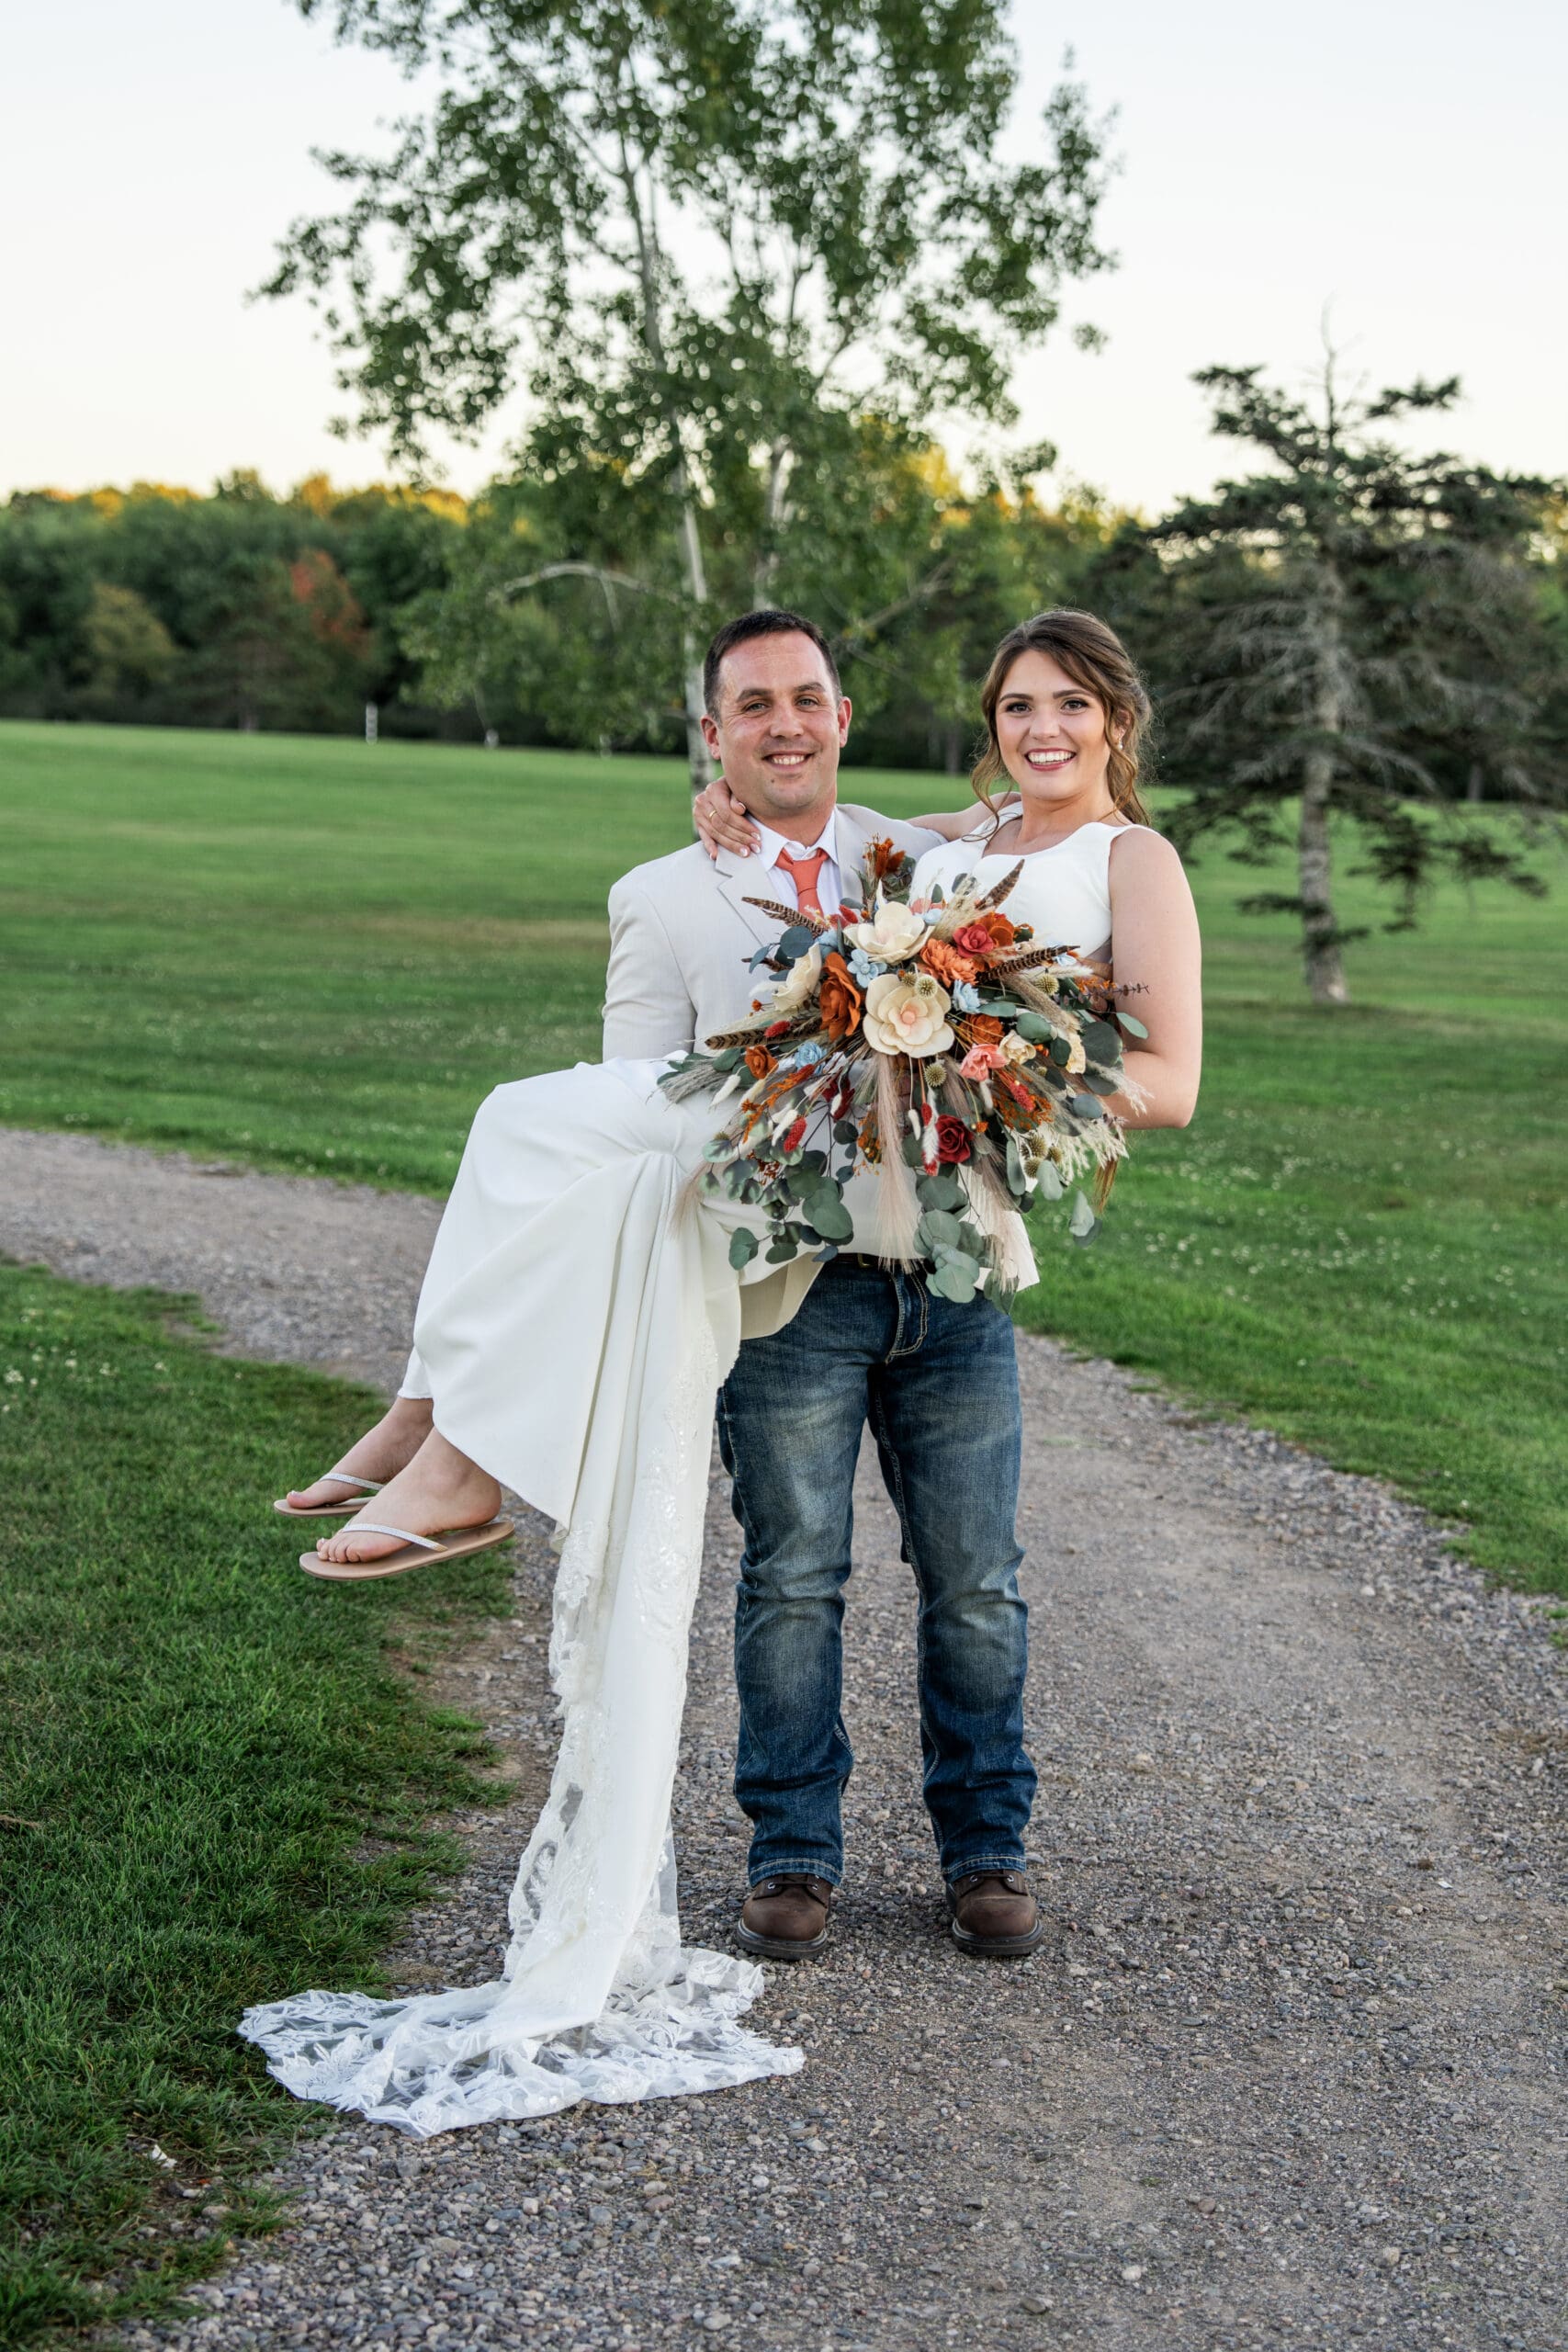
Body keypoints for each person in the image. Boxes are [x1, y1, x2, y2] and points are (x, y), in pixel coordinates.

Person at [244, 606, 1198, 2138]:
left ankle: (985, 1855)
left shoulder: (1054, 852)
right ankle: (788, 1858)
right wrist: (732, 834)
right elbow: (655, 1072)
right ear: (715, 732)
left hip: (947, 1265)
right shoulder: (931, 837)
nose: (1043, 729)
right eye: (1021, 705)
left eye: (1070, 707)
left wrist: (976, 1062)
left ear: (1112, 719)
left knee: (977, 1579)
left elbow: (1158, 1071)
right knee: (788, 1568)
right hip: (792, 1266)